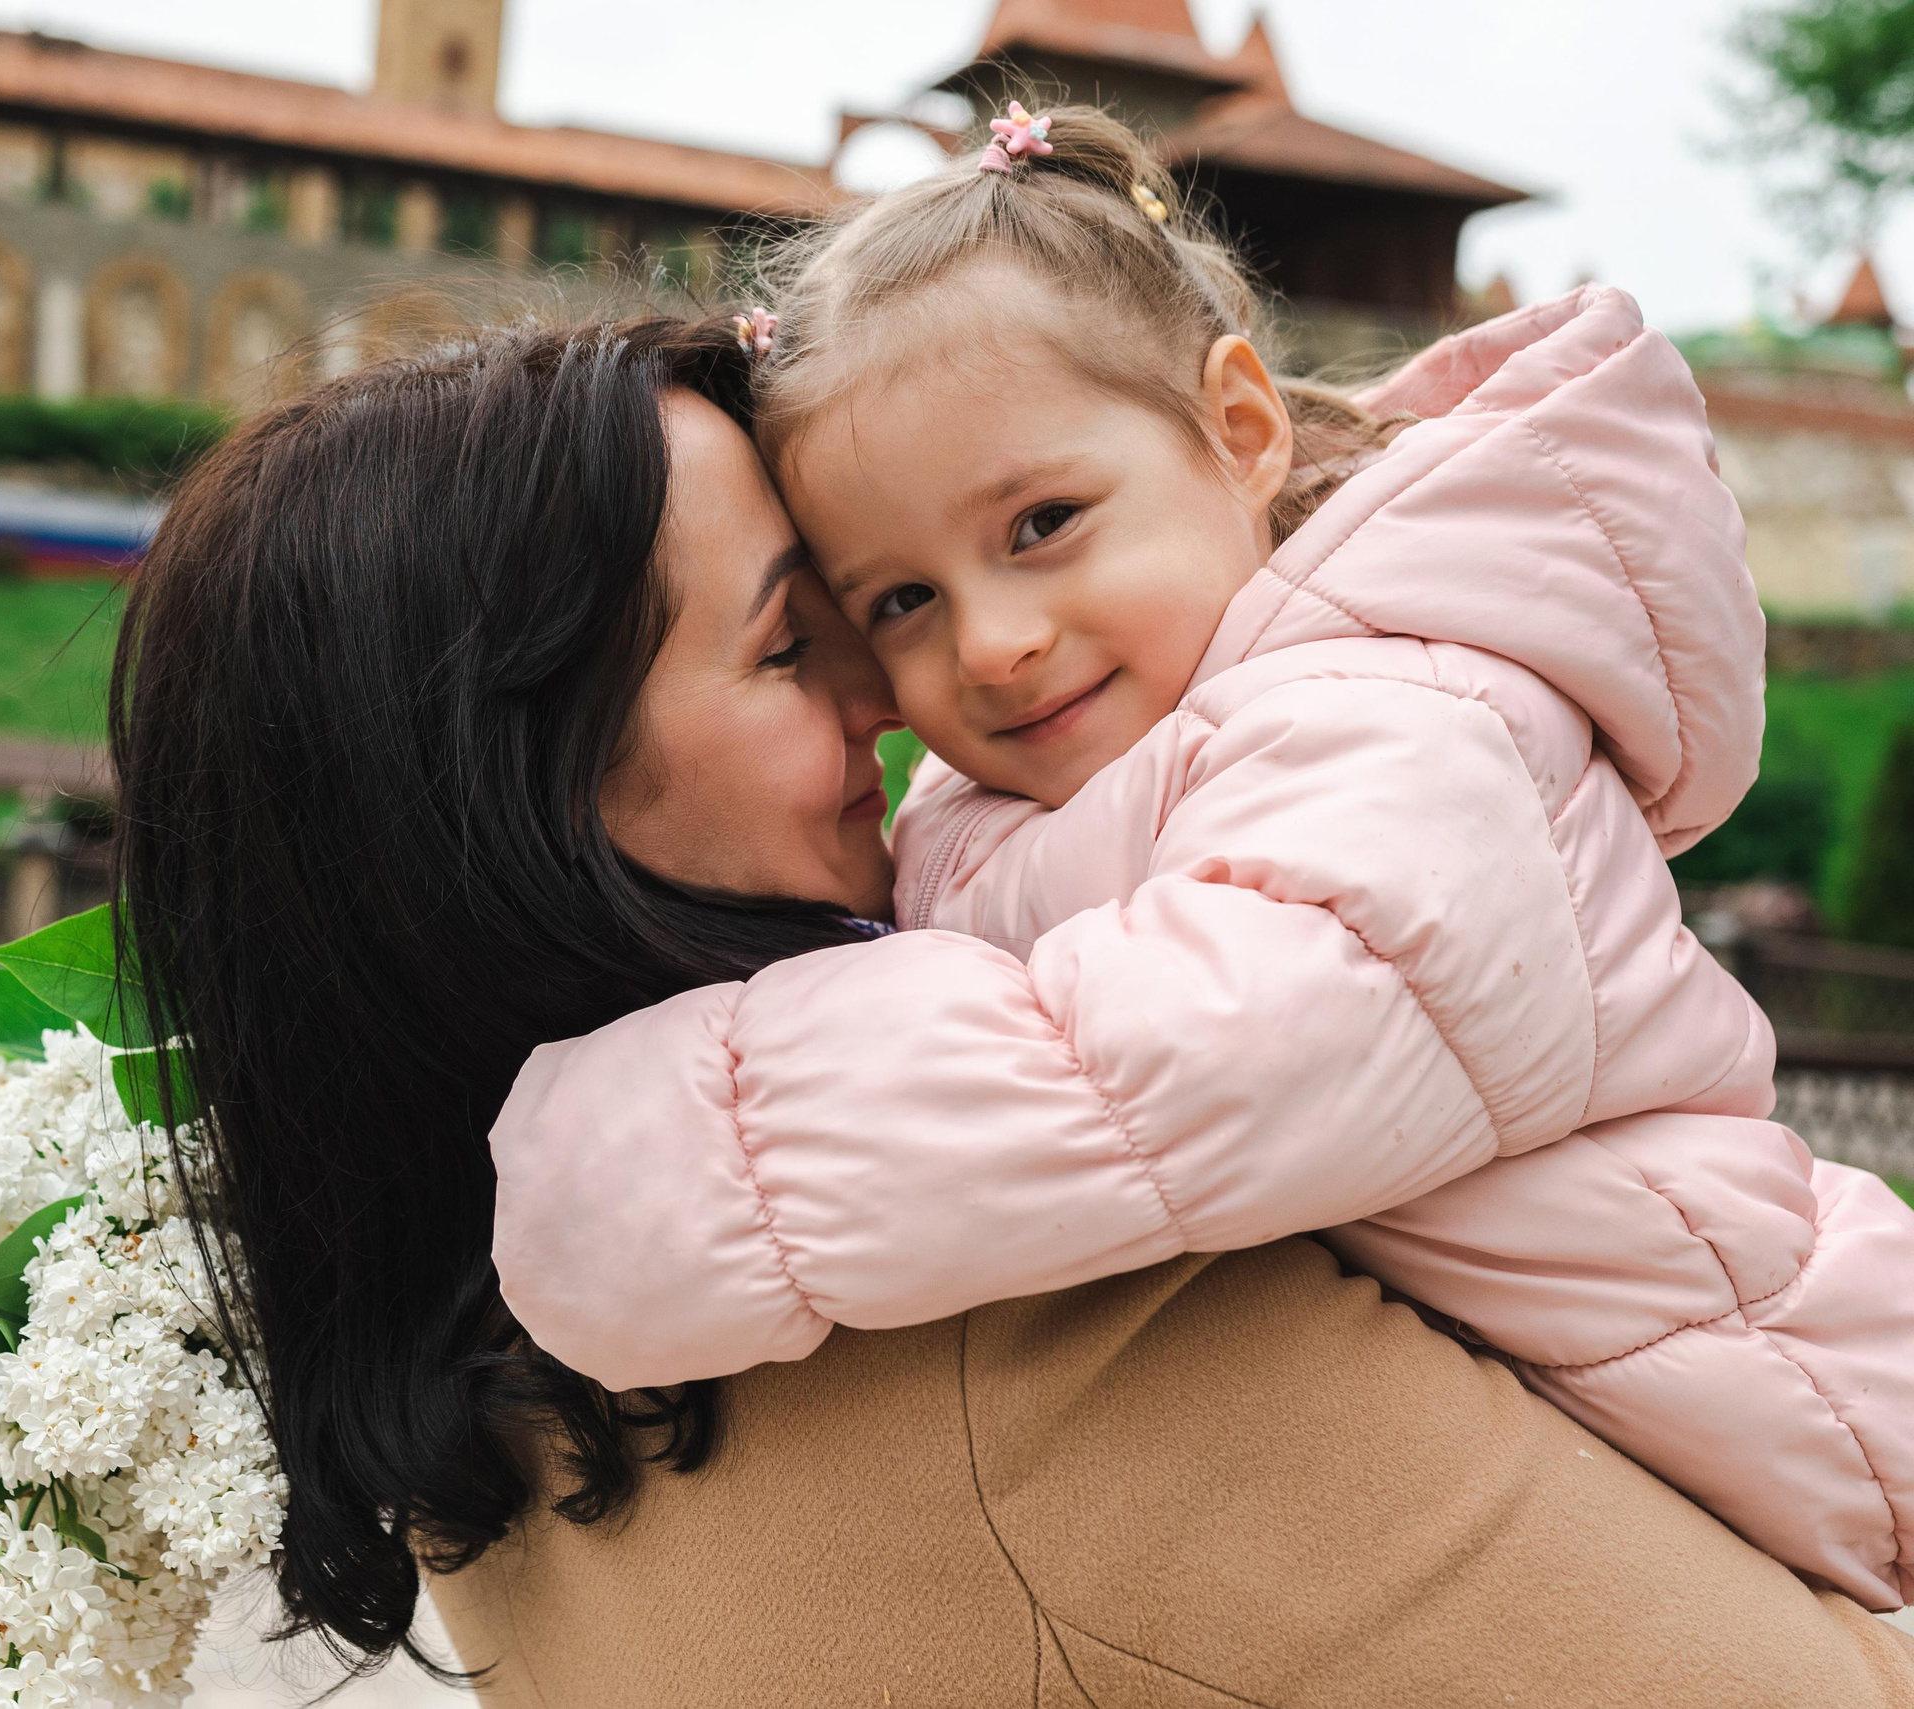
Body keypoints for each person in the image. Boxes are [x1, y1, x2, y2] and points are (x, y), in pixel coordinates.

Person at [109, 316, 1914, 1705]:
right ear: (516, 804)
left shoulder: (475, 1381)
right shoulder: (1025, 1347)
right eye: (800, 638)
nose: (904, 710)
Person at [487, 108, 1914, 1611]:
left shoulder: (1408, 715)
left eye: (1042, 522)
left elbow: (1176, 1061)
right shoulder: (1061, 782)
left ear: (1238, 431)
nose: (992, 639)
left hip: (1803, 1408)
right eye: (899, 598)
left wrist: (668, 1148)